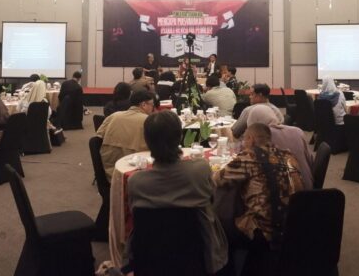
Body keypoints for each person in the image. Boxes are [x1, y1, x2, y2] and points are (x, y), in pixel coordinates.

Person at [127, 111, 228, 274]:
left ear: (146, 140)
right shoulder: (200, 170)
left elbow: (135, 215)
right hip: (197, 255)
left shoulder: (135, 181)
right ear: (180, 136)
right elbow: (212, 200)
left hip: (149, 258)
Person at [213, 123, 304, 250]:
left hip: (265, 231)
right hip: (296, 225)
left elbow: (217, 180)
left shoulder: (249, 156)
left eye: (244, 139)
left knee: (224, 213)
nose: (243, 143)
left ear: (251, 139)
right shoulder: (289, 156)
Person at [247, 105, 315, 190]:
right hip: (308, 188)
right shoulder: (297, 131)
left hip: (283, 195)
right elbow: (311, 161)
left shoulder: (260, 139)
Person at [96, 90, 156, 181]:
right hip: (138, 173)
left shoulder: (114, 116)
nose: (153, 108)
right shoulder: (149, 121)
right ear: (143, 104)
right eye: (152, 105)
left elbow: (97, 138)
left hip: (111, 171)